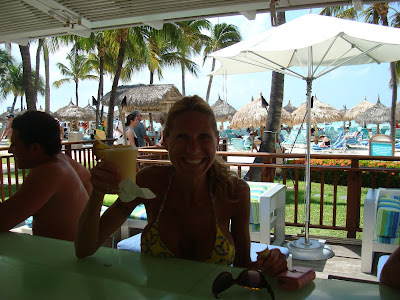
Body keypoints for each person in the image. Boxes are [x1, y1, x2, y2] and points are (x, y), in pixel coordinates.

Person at [75, 95, 288, 276]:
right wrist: (98, 192)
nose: (193, 149)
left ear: (216, 140)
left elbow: (242, 267)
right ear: (166, 140)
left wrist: (270, 265)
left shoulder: (234, 192)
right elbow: (85, 248)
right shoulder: (150, 182)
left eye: (203, 137)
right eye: (182, 137)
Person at [0, 111, 91, 241]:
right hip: (70, 251)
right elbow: (88, 181)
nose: (10, 150)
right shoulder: (61, 160)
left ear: (35, 148)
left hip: (61, 256)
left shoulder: (50, 171)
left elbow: (3, 220)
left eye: (14, 144)